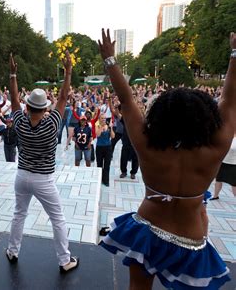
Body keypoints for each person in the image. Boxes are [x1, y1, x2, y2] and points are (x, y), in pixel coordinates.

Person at [98, 29, 233, 289]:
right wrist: (235, 54)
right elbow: (230, 101)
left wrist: (110, 60)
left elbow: (126, 99)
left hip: (147, 228)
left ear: (159, 116)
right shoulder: (215, 148)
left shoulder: (148, 146)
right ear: (206, 119)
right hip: (190, 237)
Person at [5, 52, 78, 273]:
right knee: (58, 219)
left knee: (19, 214)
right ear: (46, 108)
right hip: (43, 180)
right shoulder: (53, 124)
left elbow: (14, 99)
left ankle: (12, 251)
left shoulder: (19, 122)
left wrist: (13, 74)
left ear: (27, 108)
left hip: (21, 176)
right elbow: (64, 97)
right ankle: (65, 260)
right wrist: (68, 72)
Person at [211, 131, 236, 199]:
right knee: (218, 180)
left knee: (234, 184)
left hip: (233, 164)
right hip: (223, 162)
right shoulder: (228, 135)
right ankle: (215, 196)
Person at [95, 114, 115, 186]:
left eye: (104, 118)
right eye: (102, 118)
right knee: (99, 164)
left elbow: (113, 136)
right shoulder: (97, 126)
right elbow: (98, 135)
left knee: (107, 165)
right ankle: (99, 179)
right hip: (99, 147)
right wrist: (101, 127)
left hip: (108, 148)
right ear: (99, 119)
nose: (103, 119)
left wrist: (111, 128)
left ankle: (106, 180)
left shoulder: (108, 127)